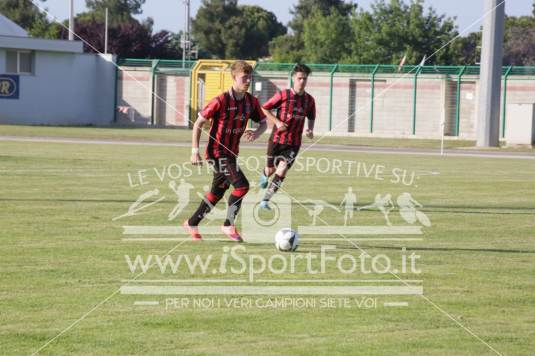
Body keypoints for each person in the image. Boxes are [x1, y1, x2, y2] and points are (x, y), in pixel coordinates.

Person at [183, 60, 269, 242]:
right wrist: (194, 151)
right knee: (242, 186)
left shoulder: (251, 102)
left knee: (217, 192)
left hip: (232, 154)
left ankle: (192, 222)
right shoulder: (220, 101)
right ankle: (228, 225)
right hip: (216, 153)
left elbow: (263, 123)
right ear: (234, 77)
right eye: (244, 77)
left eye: (250, 77)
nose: (248, 81)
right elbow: (198, 123)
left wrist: (257, 133)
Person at [258, 64, 316, 209]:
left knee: (282, 169)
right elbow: (264, 108)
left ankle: (266, 200)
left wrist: (310, 129)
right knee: (270, 170)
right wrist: (277, 122)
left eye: (304, 79)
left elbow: (311, 116)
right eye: (299, 78)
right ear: (293, 78)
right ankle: (265, 174)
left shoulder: (309, 100)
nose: (302, 81)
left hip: (294, 143)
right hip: (276, 139)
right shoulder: (283, 95)